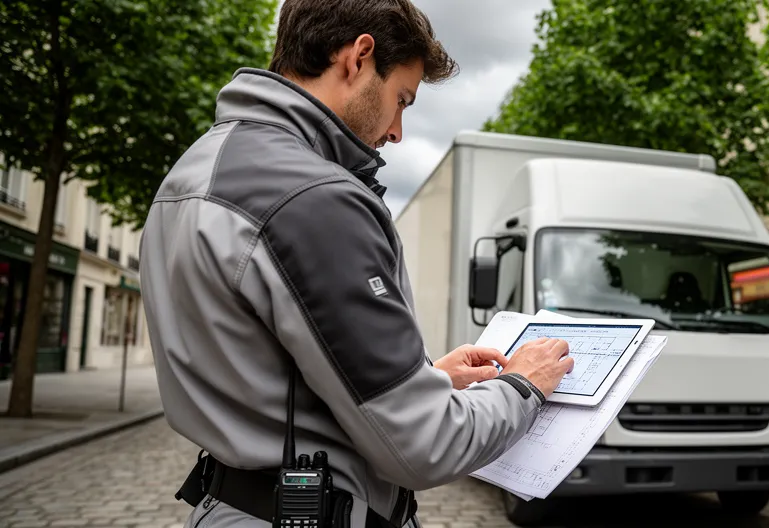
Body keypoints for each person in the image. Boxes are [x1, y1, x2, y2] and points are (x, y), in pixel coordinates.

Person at [137, 1, 575, 526]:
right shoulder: (313, 197)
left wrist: (426, 379)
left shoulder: (193, 170)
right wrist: (524, 384)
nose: (397, 131)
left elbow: (266, 368)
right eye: (401, 100)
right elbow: (426, 444)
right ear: (358, 57)